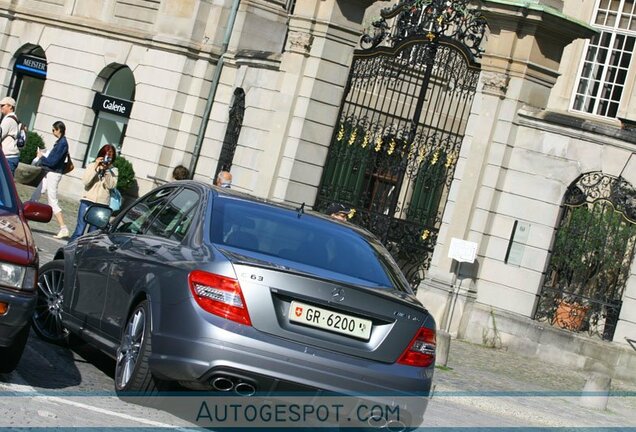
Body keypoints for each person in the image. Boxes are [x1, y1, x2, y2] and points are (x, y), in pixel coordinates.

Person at [69, 144, 118, 242]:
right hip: (87, 201)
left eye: (110, 157)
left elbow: (111, 186)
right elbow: (86, 182)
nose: (107, 159)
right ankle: (68, 250)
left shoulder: (114, 170)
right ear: (101, 156)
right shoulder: (91, 166)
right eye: (106, 156)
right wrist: (96, 167)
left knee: (92, 234)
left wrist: (107, 171)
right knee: (79, 230)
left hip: (102, 204)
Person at [30, 121, 70, 238]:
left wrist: (41, 157)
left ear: (59, 130)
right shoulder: (60, 143)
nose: (52, 132)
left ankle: (63, 228)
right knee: (36, 194)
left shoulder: (62, 143)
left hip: (53, 173)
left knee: (52, 200)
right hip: (50, 173)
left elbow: (53, 161)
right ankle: (25, 219)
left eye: (53, 130)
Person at [0, 97, 21, 175]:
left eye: (3, 105)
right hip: (10, 157)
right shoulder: (14, 118)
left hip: (7, 158)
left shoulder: (9, 120)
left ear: (10, 106)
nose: (0, 107)